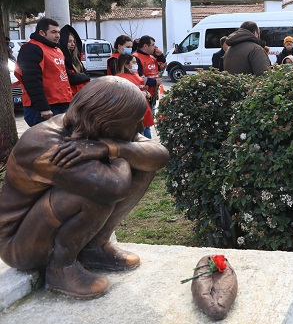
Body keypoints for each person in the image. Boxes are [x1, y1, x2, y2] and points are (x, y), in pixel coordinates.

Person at [0, 77, 169, 299]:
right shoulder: (45, 145)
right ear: (109, 125)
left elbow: (160, 155)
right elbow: (113, 187)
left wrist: (110, 147)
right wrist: (118, 151)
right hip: (20, 246)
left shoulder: (92, 127)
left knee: (142, 163)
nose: (140, 127)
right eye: (136, 121)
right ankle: (61, 267)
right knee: (94, 193)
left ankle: (94, 247)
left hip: (43, 225)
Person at [15, 18, 72, 127]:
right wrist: (43, 108)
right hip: (43, 109)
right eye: (53, 32)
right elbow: (31, 81)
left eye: (58, 32)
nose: (58, 36)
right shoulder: (31, 49)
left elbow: (63, 76)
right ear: (41, 32)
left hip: (61, 104)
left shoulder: (57, 49)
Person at [115, 53, 155, 139]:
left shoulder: (136, 75)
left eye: (136, 62)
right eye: (133, 62)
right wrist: (140, 94)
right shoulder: (119, 79)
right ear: (126, 64)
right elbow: (124, 96)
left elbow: (141, 88)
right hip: (134, 114)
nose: (135, 65)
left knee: (147, 135)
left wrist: (146, 92)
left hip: (144, 111)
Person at [133, 35, 165, 109]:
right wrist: (154, 82)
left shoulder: (152, 57)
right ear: (145, 46)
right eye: (153, 45)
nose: (155, 47)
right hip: (143, 94)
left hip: (153, 93)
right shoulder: (136, 57)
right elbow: (137, 77)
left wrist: (160, 56)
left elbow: (161, 66)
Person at [58, 25, 90, 96]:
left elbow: (85, 74)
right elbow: (71, 78)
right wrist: (84, 77)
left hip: (81, 94)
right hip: (69, 94)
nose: (73, 44)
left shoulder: (76, 60)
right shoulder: (61, 59)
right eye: (69, 41)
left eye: (74, 41)